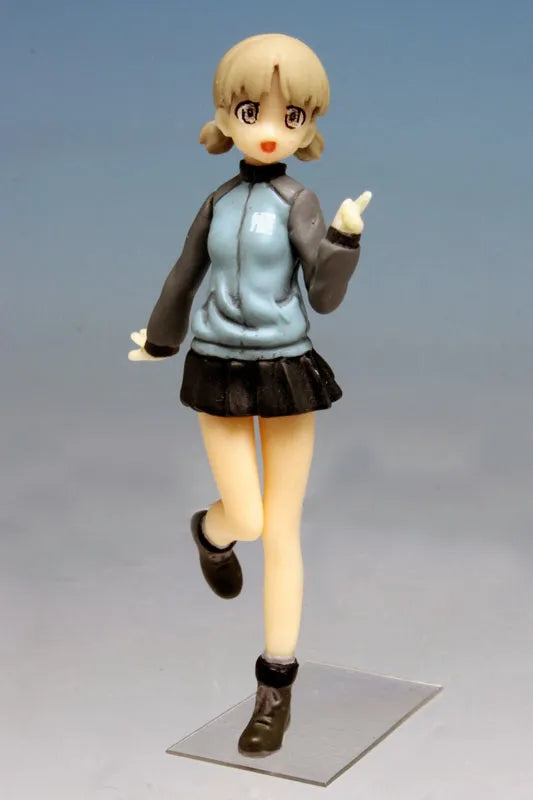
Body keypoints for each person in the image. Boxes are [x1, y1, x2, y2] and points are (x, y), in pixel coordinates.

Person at [129, 33, 371, 757]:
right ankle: (212, 532)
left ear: (308, 125)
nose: (270, 129)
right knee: (249, 517)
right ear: (223, 116)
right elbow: (184, 272)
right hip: (217, 366)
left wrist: (343, 241)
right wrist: (161, 338)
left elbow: (323, 293)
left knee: (283, 530)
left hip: (285, 367)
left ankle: (275, 689)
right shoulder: (218, 201)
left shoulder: (299, 201)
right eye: (250, 110)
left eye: (291, 116)